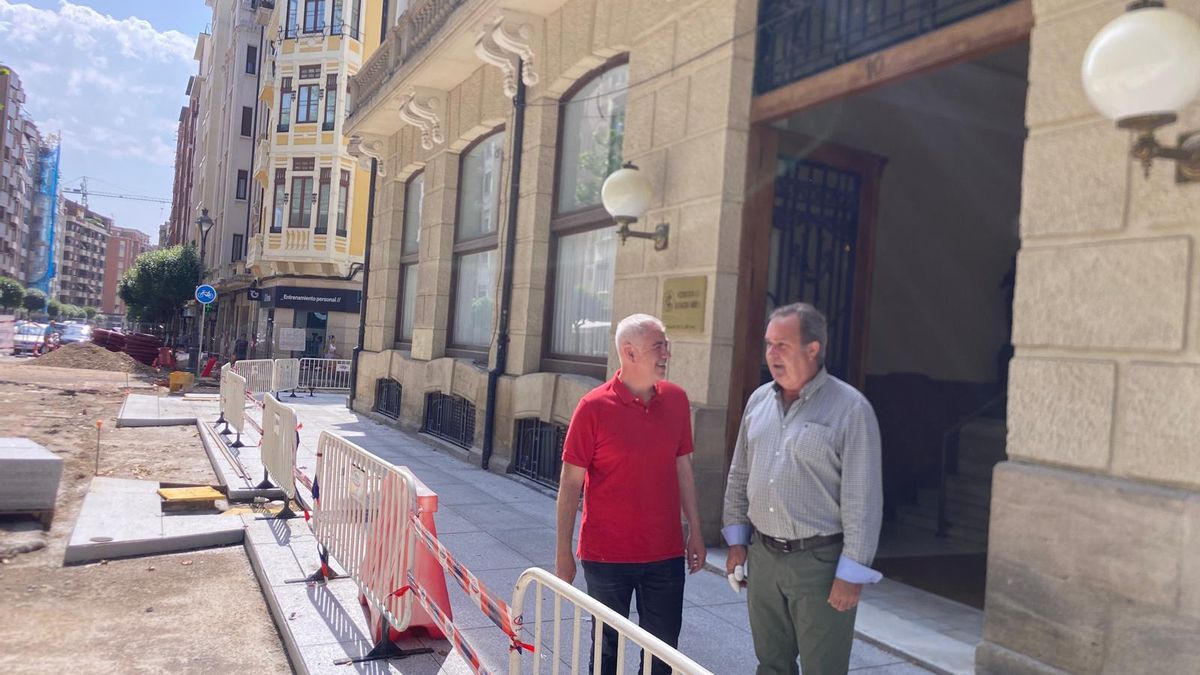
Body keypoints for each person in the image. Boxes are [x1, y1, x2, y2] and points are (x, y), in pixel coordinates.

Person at [722, 302, 883, 675]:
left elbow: (863, 500)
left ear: (813, 349)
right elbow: (739, 476)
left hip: (820, 565)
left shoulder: (851, 410)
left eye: (782, 345)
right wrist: (736, 543)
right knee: (771, 664)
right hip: (763, 556)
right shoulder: (758, 401)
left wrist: (852, 573)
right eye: (768, 344)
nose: (771, 355)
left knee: (822, 669)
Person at [555, 313, 706, 675]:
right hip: (607, 557)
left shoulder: (677, 400)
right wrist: (563, 550)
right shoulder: (592, 408)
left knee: (663, 656)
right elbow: (570, 483)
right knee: (608, 653)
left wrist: (696, 532)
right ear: (629, 352)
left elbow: (683, 468)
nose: (667, 352)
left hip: (665, 555)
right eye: (659, 346)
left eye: (665, 344)